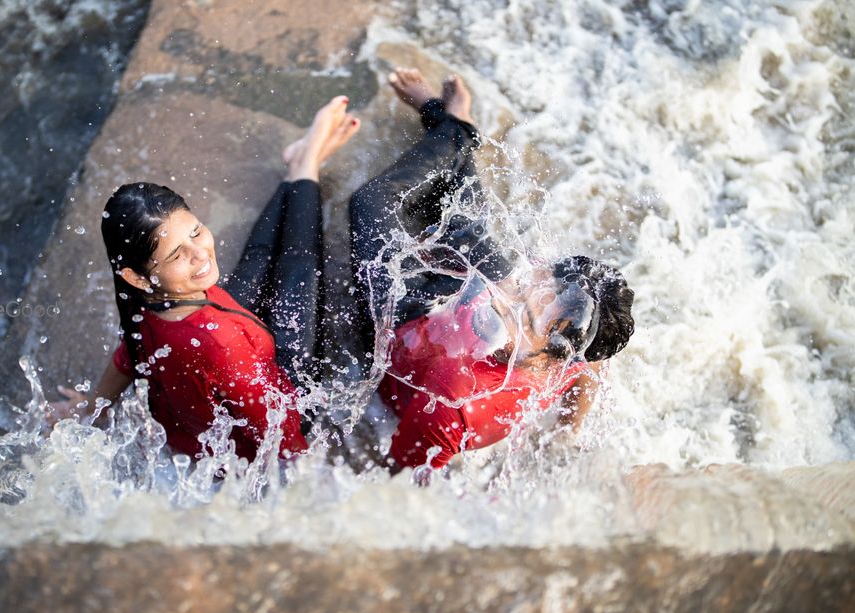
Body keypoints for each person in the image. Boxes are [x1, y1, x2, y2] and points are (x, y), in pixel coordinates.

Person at [348, 68, 635, 475]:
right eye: (526, 288)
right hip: (459, 311)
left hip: (404, 331)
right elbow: (594, 365)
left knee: (369, 203)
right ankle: (451, 122)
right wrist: (570, 431)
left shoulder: (452, 403)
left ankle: (454, 125)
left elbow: (399, 475)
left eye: (531, 307)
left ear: (556, 342)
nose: (509, 291)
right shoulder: (571, 339)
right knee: (463, 198)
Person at [51, 96, 360, 463]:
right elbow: (278, 432)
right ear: (135, 275)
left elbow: (127, 356)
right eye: (176, 254)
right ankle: (306, 162)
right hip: (280, 395)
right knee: (300, 265)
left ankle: (298, 167)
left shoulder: (145, 303)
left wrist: (95, 405)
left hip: (217, 367)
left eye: (196, 232)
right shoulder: (221, 345)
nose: (199, 254)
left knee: (260, 256)